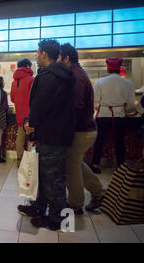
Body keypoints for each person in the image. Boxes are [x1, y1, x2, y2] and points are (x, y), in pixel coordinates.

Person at [18, 39, 75, 231]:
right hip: (57, 133)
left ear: (43, 54)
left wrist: (30, 123)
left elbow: (40, 107)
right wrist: (30, 120)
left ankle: (59, 218)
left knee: (53, 178)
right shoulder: (63, 74)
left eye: (37, 52)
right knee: (44, 175)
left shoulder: (49, 77)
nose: (35, 56)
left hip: (51, 136)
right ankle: (38, 207)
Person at [58, 44, 104, 214]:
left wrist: (64, 131)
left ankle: (75, 204)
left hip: (81, 130)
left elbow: (75, 108)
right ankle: (99, 192)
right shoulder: (78, 73)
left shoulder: (75, 77)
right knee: (76, 162)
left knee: (71, 165)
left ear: (66, 59)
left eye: (59, 58)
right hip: (86, 128)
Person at [91, 57, 136, 173]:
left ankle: (95, 164)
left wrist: (102, 107)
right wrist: (122, 108)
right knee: (119, 141)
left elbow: (95, 101)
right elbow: (131, 103)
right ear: (119, 68)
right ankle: (120, 166)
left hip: (103, 115)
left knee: (99, 140)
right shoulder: (127, 83)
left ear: (108, 69)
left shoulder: (100, 82)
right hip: (119, 115)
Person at [10, 58, 34, 167]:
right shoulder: (31, 79)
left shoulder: (14, 82)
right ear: (28, 66)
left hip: (19, 115)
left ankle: (19, 160)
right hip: (31, 116)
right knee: (31, 138)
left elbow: (12, 99)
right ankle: (31, 160)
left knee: (20, 138)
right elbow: (35, 98)